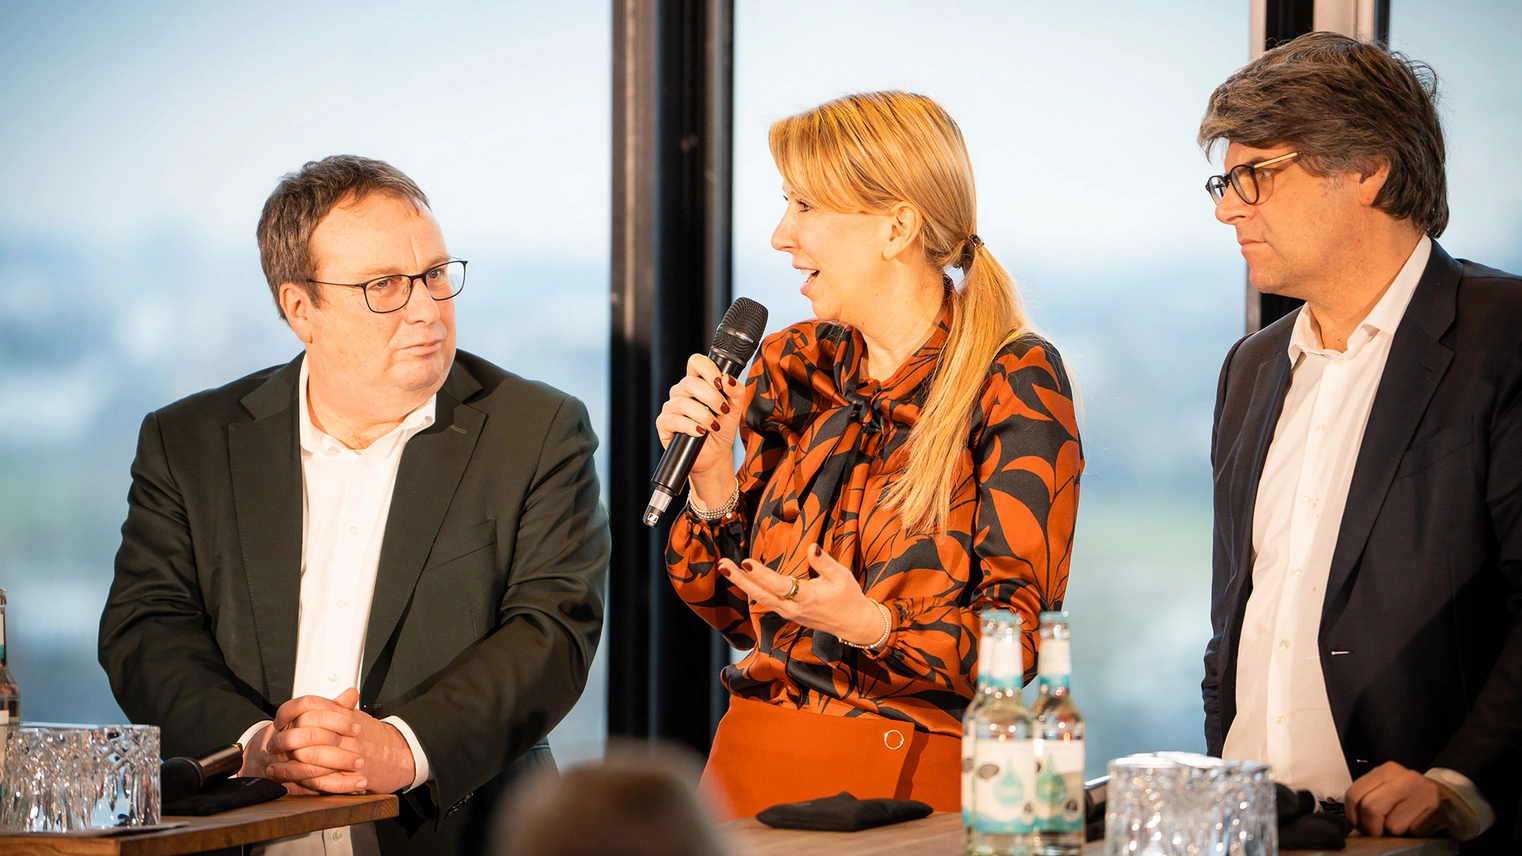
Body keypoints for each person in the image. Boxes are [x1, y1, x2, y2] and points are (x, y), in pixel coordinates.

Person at [98, 155, 609, 856]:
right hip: (236, 832)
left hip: (449, 831)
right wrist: (256, 747)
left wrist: (403, 746)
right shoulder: (188, 442)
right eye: (385, 286)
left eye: (434, 274)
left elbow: (554, 629)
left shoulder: (538, 429)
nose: (427, 308)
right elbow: (145, 627)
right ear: (301, 309)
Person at [658, 91, 1083, 817]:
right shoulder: (793, 361)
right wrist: (711, 483)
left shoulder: (1013, 377)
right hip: (747, 768)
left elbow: (1021, 649)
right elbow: (733, 612)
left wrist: (871, 626)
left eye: (804, 207)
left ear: (896, 227)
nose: (779, 235)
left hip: (907, 789)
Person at [1199, 32, 1522, 851]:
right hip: (1257, 829)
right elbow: (1236, 616)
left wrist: (1460, 779)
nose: (1227, 207)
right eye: (1224, 181)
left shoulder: (1504, 336)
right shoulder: (1250, 366)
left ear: (1366, 167)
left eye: (1255, 177)